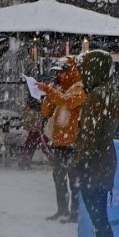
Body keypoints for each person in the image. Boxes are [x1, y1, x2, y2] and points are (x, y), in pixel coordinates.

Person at [73, 50, 119, 237]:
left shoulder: (96, 95)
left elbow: (89, 135)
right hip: (105, 160)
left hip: (93, 164)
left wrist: (79, 162)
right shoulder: (112, 93)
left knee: (98, 217)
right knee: (100, 214)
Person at [38, 56, 86, 222]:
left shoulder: (79, 89)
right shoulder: (59, 90)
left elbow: (67, 103)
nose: (60, 76)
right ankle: (62, 209)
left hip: (73, 142)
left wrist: (50, 91)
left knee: (74, 179)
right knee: (58, 177)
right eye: (58, 73)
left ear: (71, 71)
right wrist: (49, 93)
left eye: (63, 72)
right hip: (60, 142)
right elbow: (45, 111)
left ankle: (75, 212)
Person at [18, 95, 53, 169]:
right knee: (42, 144)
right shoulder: (40, 99)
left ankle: (25, 161)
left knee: (31, 144)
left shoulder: (33, 99)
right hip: (38, 126)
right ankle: (53, 160)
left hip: (36, 126)